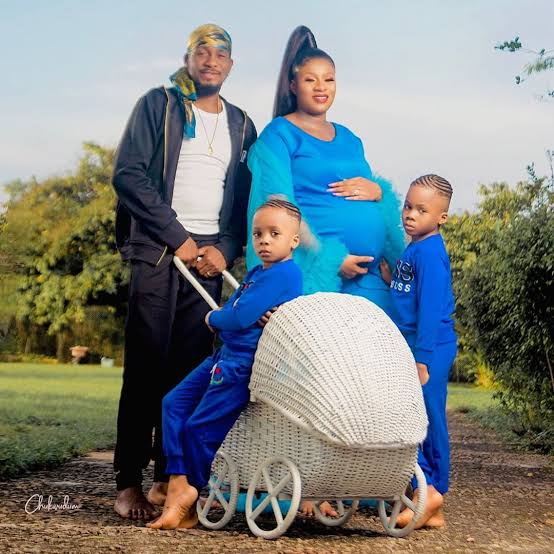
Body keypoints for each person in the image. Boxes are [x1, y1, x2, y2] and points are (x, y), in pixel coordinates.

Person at [111, 23, 257, 521]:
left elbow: (242, 202)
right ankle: (127, 481)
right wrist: (179, 237)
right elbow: (127, 174)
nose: (211, 60)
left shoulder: (241, 123)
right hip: (158, 252)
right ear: (189, 58)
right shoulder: (161, 105)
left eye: (221, 54)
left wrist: (227, 248)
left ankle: (166, 480)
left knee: (189, 375)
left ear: (231, 66)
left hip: (208, 262)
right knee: (146, 367)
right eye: (202, 51)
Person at [147, 199, 303, 530]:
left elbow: (239, 315)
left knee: (199, 427)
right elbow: (237, 308)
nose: (264, 240)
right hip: (225, 355)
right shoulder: (260, 272)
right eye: (258, 233)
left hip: (244, 365)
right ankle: (178, 482)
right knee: (173, 403)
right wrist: (231, 317)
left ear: (294, 240)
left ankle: (187, 493)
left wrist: (213, 317)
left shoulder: (286, 274)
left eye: (275, 234)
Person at [246, 25, 404, 317]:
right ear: (293, 85)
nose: (321, 87)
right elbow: (278, 207)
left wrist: (379, 191)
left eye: (329, 79)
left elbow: (373, 195)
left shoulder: (349, 138)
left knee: (382, 355)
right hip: (319, 277)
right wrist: (330, 259)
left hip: (370, 279)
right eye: (310, 80)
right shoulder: (278, 135)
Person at [388, 174, 457, 529]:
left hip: (429, 347)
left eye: (421, 210)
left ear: (441, 217)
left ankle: (432, 491)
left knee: (428, 419)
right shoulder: (415, 247)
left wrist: (422, 359)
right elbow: (409, 293)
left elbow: (430, 308)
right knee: (416, 417)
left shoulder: (430, 253)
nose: (410, 215)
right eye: (408, 206)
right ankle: (433, 508)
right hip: (415, 345)